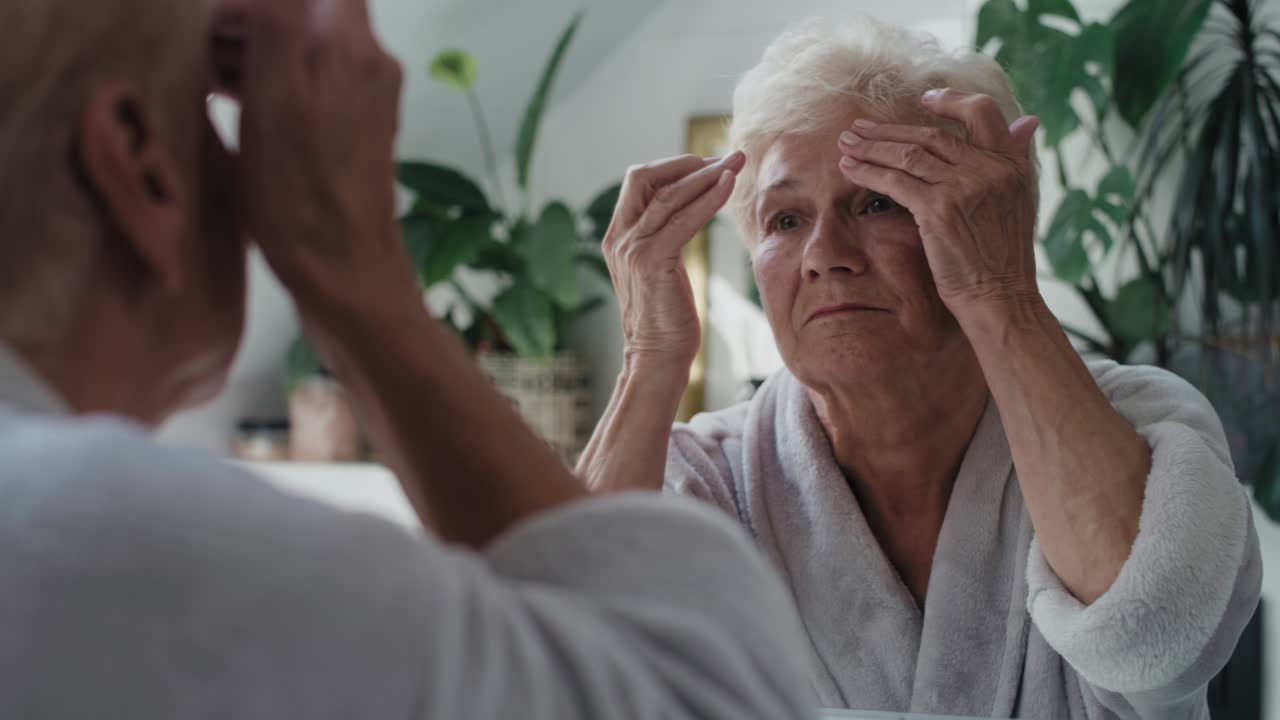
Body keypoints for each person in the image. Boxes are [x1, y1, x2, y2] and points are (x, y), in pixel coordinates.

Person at [0, 0, 814, 717]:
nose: (828, 255)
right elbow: (707, 698)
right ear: (140, 159)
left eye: (879, 205)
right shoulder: (122, 541)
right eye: (208, 122)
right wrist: (346, 259)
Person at [579, 15, 1262, 719]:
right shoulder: (714, 479)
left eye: (878, 201)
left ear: (981, 221)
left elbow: (1153, 638)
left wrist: (1002, 292)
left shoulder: (1142, 427)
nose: (823, 253)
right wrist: (649, 357)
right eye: (784, 220)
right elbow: (556, 661)